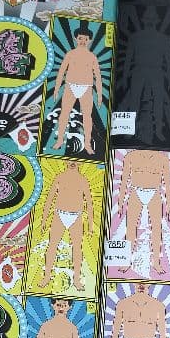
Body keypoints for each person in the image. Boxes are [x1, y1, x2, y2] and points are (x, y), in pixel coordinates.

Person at [119, 8, 170, 143]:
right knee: (134, 100)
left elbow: (168, 60)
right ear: (144, 21)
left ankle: (158, 130)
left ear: (156, 21)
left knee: (158, 101)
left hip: (156, 71)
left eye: (152, 19)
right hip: (139, 69)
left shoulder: (163, 39)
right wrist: (125, 77)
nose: (150, 22)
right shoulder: (135, 37)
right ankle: (130, 130)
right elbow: (128, 58)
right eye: (148, 19)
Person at [38, 162, 93, 292]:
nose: (73, 163)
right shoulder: (60, 177)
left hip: (76, 216)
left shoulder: (83, 180)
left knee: (77, 249)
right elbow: (49, 199)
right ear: (65, 162)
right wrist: (44, 220)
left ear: (80, 163)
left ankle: (76, 280)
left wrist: (90, 224)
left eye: (76, 161)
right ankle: (46, 277)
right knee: (52, 246)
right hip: (59, 215)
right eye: (70, 160)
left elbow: (89, 203)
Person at [50, 24, 103, 155]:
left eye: (85, 39)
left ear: (89, 40)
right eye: (80, 38)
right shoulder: (70, 54)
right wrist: (56, 88)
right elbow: (61, 71)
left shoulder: (92, 56)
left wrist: (100, 95)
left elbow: (98, 76)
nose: (83, 41)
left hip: (86, 88)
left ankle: (87, 144)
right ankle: (59, 140)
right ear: (75, 39)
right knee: (64, 114)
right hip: (70, 86)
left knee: (87, 117)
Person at [117, 150, 170, 275]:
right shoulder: (131, 156)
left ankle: (156, 263)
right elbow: (124, 180)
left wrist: (169, 204)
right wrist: (120, 202)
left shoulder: (162, 158)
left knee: (156, 229)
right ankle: (126, 262)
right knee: (131, 229)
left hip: (154, 193)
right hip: (136, 192)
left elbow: (167, 183)